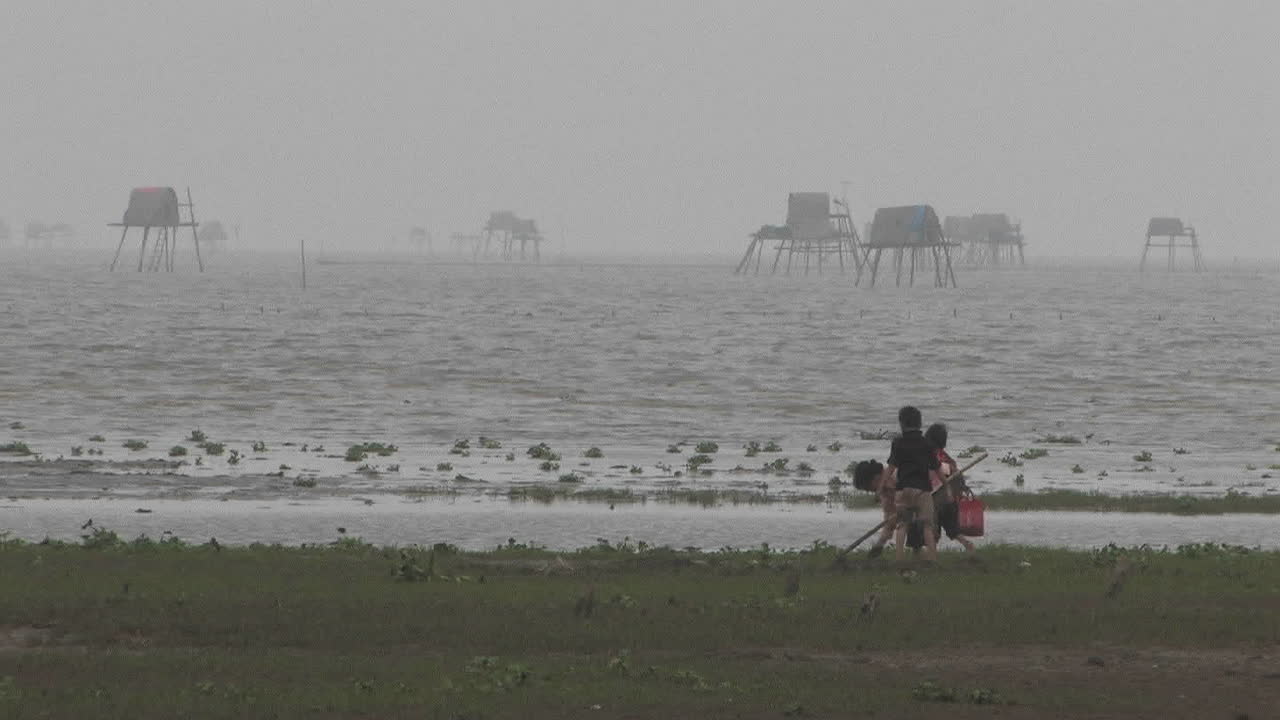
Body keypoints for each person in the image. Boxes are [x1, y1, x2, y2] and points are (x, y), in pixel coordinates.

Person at [882, 406, 942, 562]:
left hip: (902, 490)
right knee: (928, 526)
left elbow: (891, 467)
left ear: (901, 424)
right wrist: (946, 484)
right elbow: (937, 468)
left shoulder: (897, 443)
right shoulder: (927, 444)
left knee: (902, 525)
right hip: (922, 490)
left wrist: (882, 484)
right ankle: (933, 557)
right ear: (920, 423)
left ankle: (899, 557)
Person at [925, 422, 977, 553]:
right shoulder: (944, 456)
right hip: (949, 499)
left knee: (932, 527)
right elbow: (956, 473)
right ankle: (967, 543)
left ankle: (932, 554)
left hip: (936, 499)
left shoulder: (931, 456)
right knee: (952, 528)